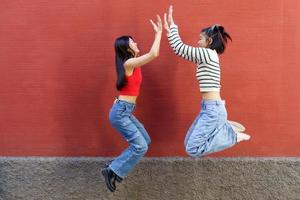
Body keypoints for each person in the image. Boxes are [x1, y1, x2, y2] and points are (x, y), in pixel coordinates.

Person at [163, 6, 250, 157]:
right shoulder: (207, 55)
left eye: (200, 39)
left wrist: (173, 27)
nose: (197, 42)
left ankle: (232, 136)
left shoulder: (208, 53)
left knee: (192, 149)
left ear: (209, 41)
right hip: (209, 108)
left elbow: (179, 48)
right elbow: (183, 53)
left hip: (213, 110)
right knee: (188, 142)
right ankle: (225, 127)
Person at [101, 15, 162, 192]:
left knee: (145, 141)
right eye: (132, 42)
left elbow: (128, 87)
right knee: (140, 146)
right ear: (126, 48)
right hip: (121, 113)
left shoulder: (134, 63)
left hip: (125, 110)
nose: (135, 43)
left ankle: (114, 166)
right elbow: (154, 54)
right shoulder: (129, 63)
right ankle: (113, 171)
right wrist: (158, 33)